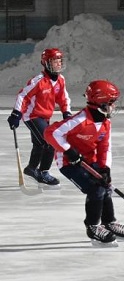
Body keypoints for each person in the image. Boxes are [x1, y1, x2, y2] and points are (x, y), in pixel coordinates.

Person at [44, 80, 124, 246]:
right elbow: (51, 133)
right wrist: (69, 151)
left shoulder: (105, 123)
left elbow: (105, 148)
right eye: (112, 102)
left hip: (89, 160)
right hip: (68, 163)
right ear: (101, 103)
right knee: (95, 189)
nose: (114, 106)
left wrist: (105, 168)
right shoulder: (80, 120)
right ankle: (92, 227)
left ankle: (109, 222)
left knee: (105, 186)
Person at [7, 48, 72, 185]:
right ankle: (43, 172)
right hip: (32, 115)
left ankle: (31, 169)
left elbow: (63, 98)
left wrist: (66, 112)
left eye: (60, 60)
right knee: (49, 142)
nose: (59, 63)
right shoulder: (39, 81)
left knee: (39, 144)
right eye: (55, 61)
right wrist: (16, 114)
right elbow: (23, 95)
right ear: (47, 63)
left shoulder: (60, 80)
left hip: (44, 117)